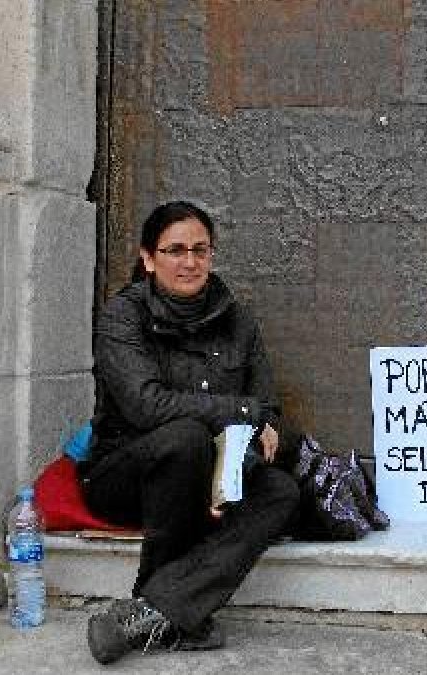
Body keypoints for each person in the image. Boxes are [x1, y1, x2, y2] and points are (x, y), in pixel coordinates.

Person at [80, 201, 300, 665]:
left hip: (214, 476)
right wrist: (237, 410)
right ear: (148, 257)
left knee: (279, 489)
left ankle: (152, 611)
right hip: (127, 475)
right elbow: (147, 405)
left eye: (200, 249)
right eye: (175, 250)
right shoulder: (123, 317)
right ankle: (173, 609)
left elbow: (267, 409)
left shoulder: (238, 321)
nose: (189, 261)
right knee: (184, 438)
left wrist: (265, 430)